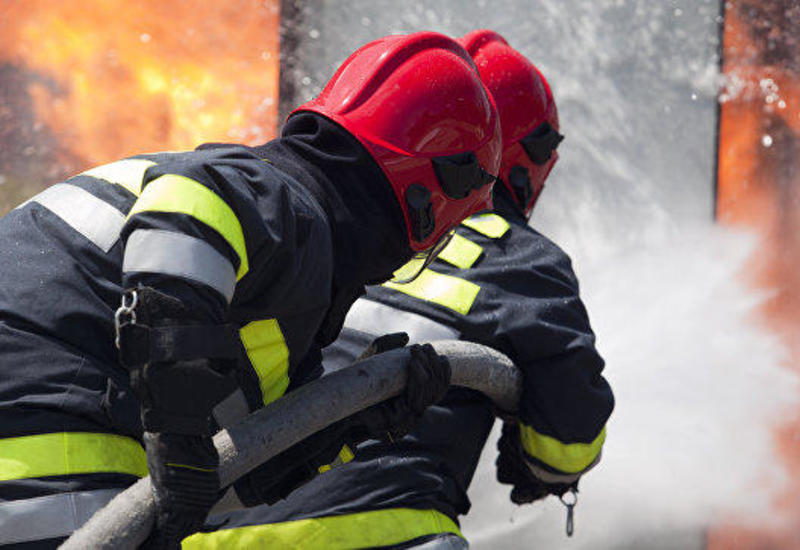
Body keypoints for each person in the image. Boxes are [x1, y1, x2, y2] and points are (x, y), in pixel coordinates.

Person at [0, 31, 502, 549]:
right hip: (44, 431)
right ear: (427, 201)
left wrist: (352, 423)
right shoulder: (277, 199)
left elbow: (224, 475)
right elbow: (185, 214)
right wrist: (178, 434)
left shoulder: (272, 276)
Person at [184, 30, 614, 549]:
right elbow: (566, 445)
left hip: (207, 532)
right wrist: (535, 459)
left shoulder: (313, 228)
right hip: (381, 535)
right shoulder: (520, 260)